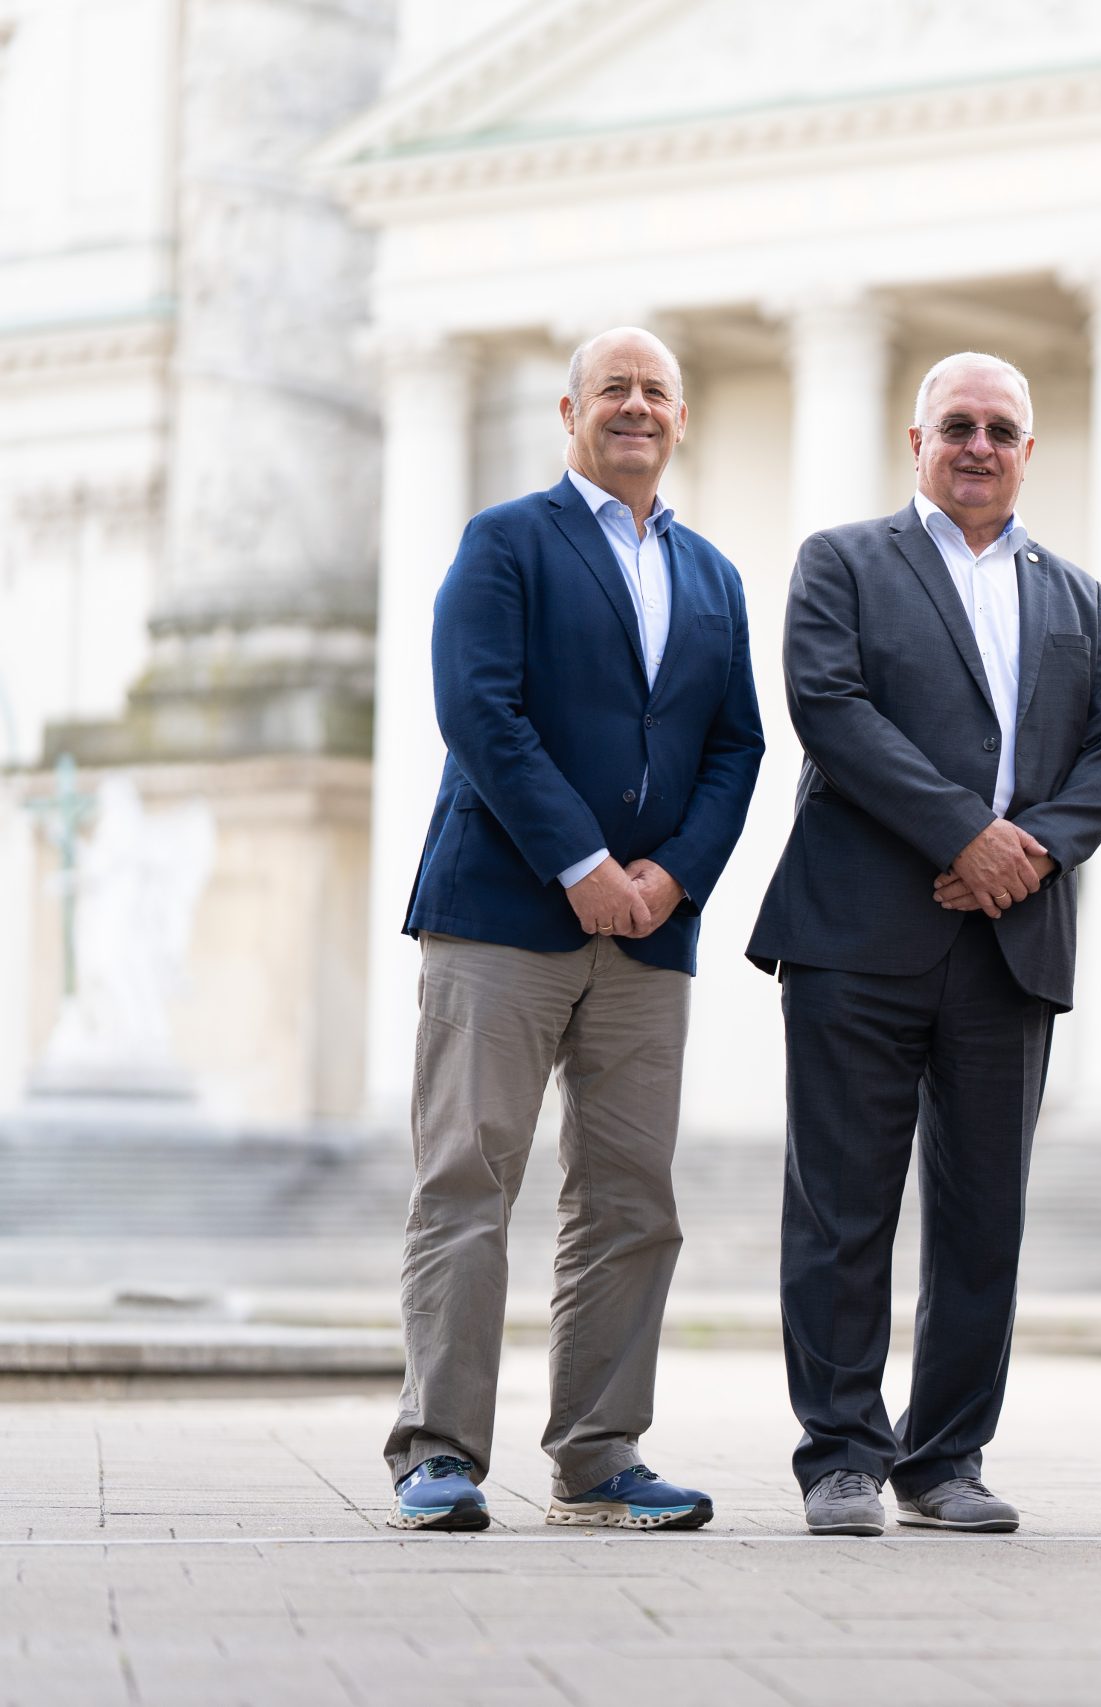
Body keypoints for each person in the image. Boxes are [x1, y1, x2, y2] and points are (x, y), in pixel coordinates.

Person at [384, 327, 765, 1533]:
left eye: (658, 391)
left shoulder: (712, 575)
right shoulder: (506, 542)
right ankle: (437, 1453)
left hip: (650, 937)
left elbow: (734, 745)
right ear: (570, 410)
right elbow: (480, 713)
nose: (637, 408)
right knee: (467, 1181)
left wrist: (670, 878)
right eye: (616, 390)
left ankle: (600, 1457)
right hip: (502, 914)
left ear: (682, 418)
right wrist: (584, 863)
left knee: (630, 1200)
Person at [746, 352, 1101, 1538]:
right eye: (955, 425)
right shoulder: (843, 562)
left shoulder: (1075, 595)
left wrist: (1029, 852)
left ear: (1027, 451)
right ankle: (842, 1457)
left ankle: (947, 1456)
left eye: (1000, 429)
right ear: (915, 442)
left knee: (983, 1217)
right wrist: (967, 832)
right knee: (842, 1205)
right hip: (858, 932)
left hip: (1009, 938)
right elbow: (831, 708)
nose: (977, 445)